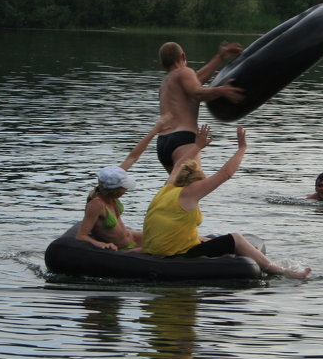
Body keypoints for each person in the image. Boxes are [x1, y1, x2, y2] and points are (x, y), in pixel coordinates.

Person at [143, 125, 311, 280]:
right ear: (196, 183)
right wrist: (242, 149)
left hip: (159, 250)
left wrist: (197, 147)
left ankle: (254, 256)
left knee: (208, 239)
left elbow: (179, 164)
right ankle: (281, 271)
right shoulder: (189, 192)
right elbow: (226, 174)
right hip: (174, 256)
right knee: (236, 239)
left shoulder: (167, 188)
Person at [155, 40, 245, 174]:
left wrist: (219, 57)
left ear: (163, 64)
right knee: (192, 191)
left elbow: (197, 79)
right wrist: (223, 90)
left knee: (176, 191)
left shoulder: (166, 83)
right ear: (183, 56)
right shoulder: (185, 72)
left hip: (162, 144)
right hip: (182, 140)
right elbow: (196, 93)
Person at [76, 119, 164, 251]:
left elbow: (132, 157)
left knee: (168, 238)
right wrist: (102, 245)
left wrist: (155, 131)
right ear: (114, 190)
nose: (126, 191)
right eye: (124, 188)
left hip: (132, 237)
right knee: (164, 248)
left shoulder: (113, 178)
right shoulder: (96, 205)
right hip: (123, 250)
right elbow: (81, 236)